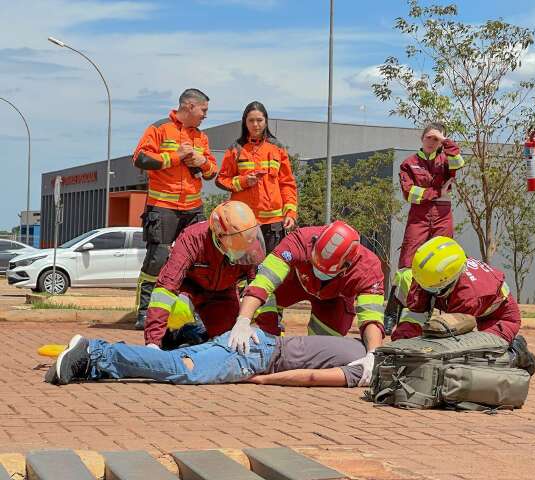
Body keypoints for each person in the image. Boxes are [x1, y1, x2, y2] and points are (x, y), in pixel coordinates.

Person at [226, 220, 386, 386]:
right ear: (315, 243)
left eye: (324, 271)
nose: (319, 273)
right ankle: (269, 349)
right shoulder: (299, 240)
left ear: (347, 266)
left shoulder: (369, 268)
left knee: (322, 351)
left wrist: (373, 354)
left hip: (334, 299)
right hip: (294, 284)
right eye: (316, 265)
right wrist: (243, 320)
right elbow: (263, 281)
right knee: (266, 304)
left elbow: (371, 317)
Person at [133, 88, 218, 330]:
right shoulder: (159, 128)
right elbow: (139, 158)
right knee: (157, 259)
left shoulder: (201, 137)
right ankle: (144, 313)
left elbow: (212, 172)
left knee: (198, 262)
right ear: (190, 106)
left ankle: (193, 313)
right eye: (204, 110)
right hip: (162, 206)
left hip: (193, 208)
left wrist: (203, 163)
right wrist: (175, 156)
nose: (205, 115)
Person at [390, 236, 535, 375]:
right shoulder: (426, 274)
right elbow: (415, 313)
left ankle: (516, 353)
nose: (426, 292)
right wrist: (400, 346)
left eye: (433, 290)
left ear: (452, 281)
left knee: (475, 361)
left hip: (501, 317)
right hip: (476, 308)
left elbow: (451, 339)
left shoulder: (467, 294)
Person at [44, 329, 367, 388]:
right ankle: (95, 351)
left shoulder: (362, 345)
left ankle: (93, 365)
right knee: (184, 371)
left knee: (179, 359)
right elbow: (311, 377)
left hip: (254, 340)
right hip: (258, 357)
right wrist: (264, 379)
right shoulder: (364, 369)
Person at [143, 201, 267, 349]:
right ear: (219, 235)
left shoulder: (249, 243)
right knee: (177, 310)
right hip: (188, 290)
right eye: (236, 244)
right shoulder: (192, 239)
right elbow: (165, 288)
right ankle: (172, 336)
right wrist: (153, 342)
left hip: (223, 293)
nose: (243, 249)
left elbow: (259, 288)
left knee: (228, 341)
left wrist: (269, 330)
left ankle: (199, 334)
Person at [384, 122, 465, 334]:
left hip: (442, 215)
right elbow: (410, 193)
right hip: (419, 216)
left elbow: (459, 161)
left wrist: (445, 141)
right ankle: (393, 311)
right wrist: (437, 192)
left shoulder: (447, 160)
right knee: (406, 267)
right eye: (428, 137)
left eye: (436, 139)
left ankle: (429, 314)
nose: (431, 141)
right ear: (421, 139)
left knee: (442, 264)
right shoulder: (409, 163)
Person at [215, 101, 298, 253]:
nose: (255, 124)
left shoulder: (277, 148)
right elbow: (221, 180)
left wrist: (290, 213)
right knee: (245, 269)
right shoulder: (236, 149)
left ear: (266, 121)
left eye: (259, 120)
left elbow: (287, 184)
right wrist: (244, 181)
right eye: (251, 120)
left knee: (270, 269)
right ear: (244, 122)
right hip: (243, 222)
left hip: (274, 224)